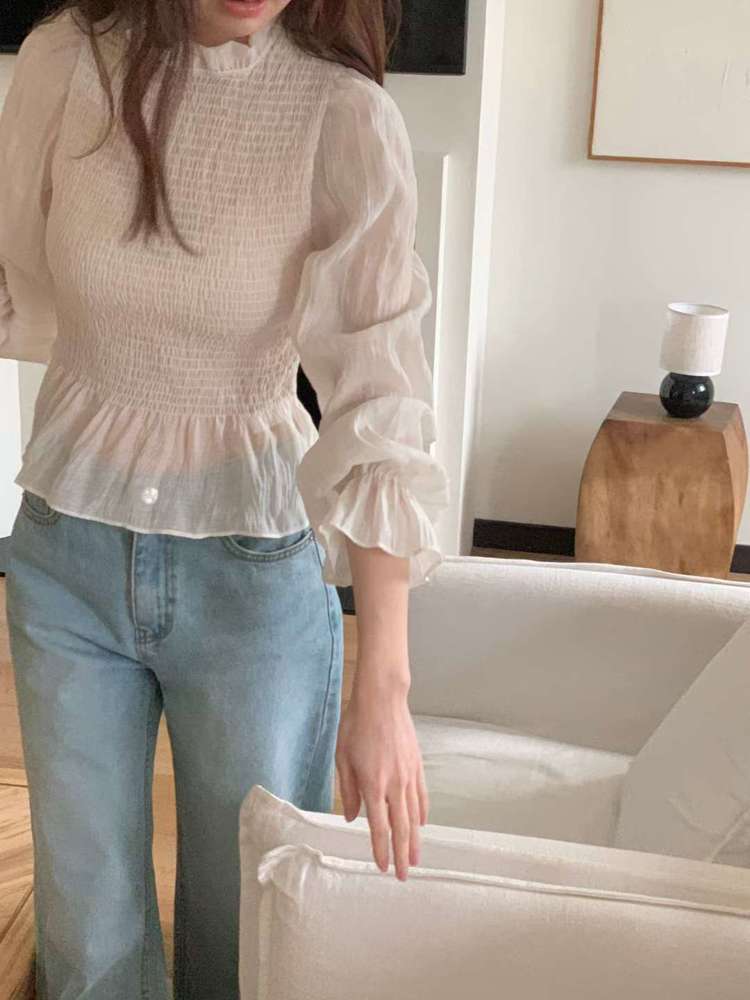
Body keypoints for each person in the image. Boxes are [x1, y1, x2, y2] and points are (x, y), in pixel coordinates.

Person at [0, 0, 450, 996]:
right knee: (87, 943)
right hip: (65, 557)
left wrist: (384, 689)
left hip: (251, 576)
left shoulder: (341, 117)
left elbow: (380, 402)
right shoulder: (63, 65)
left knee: (248, 934)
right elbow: (16, 276)